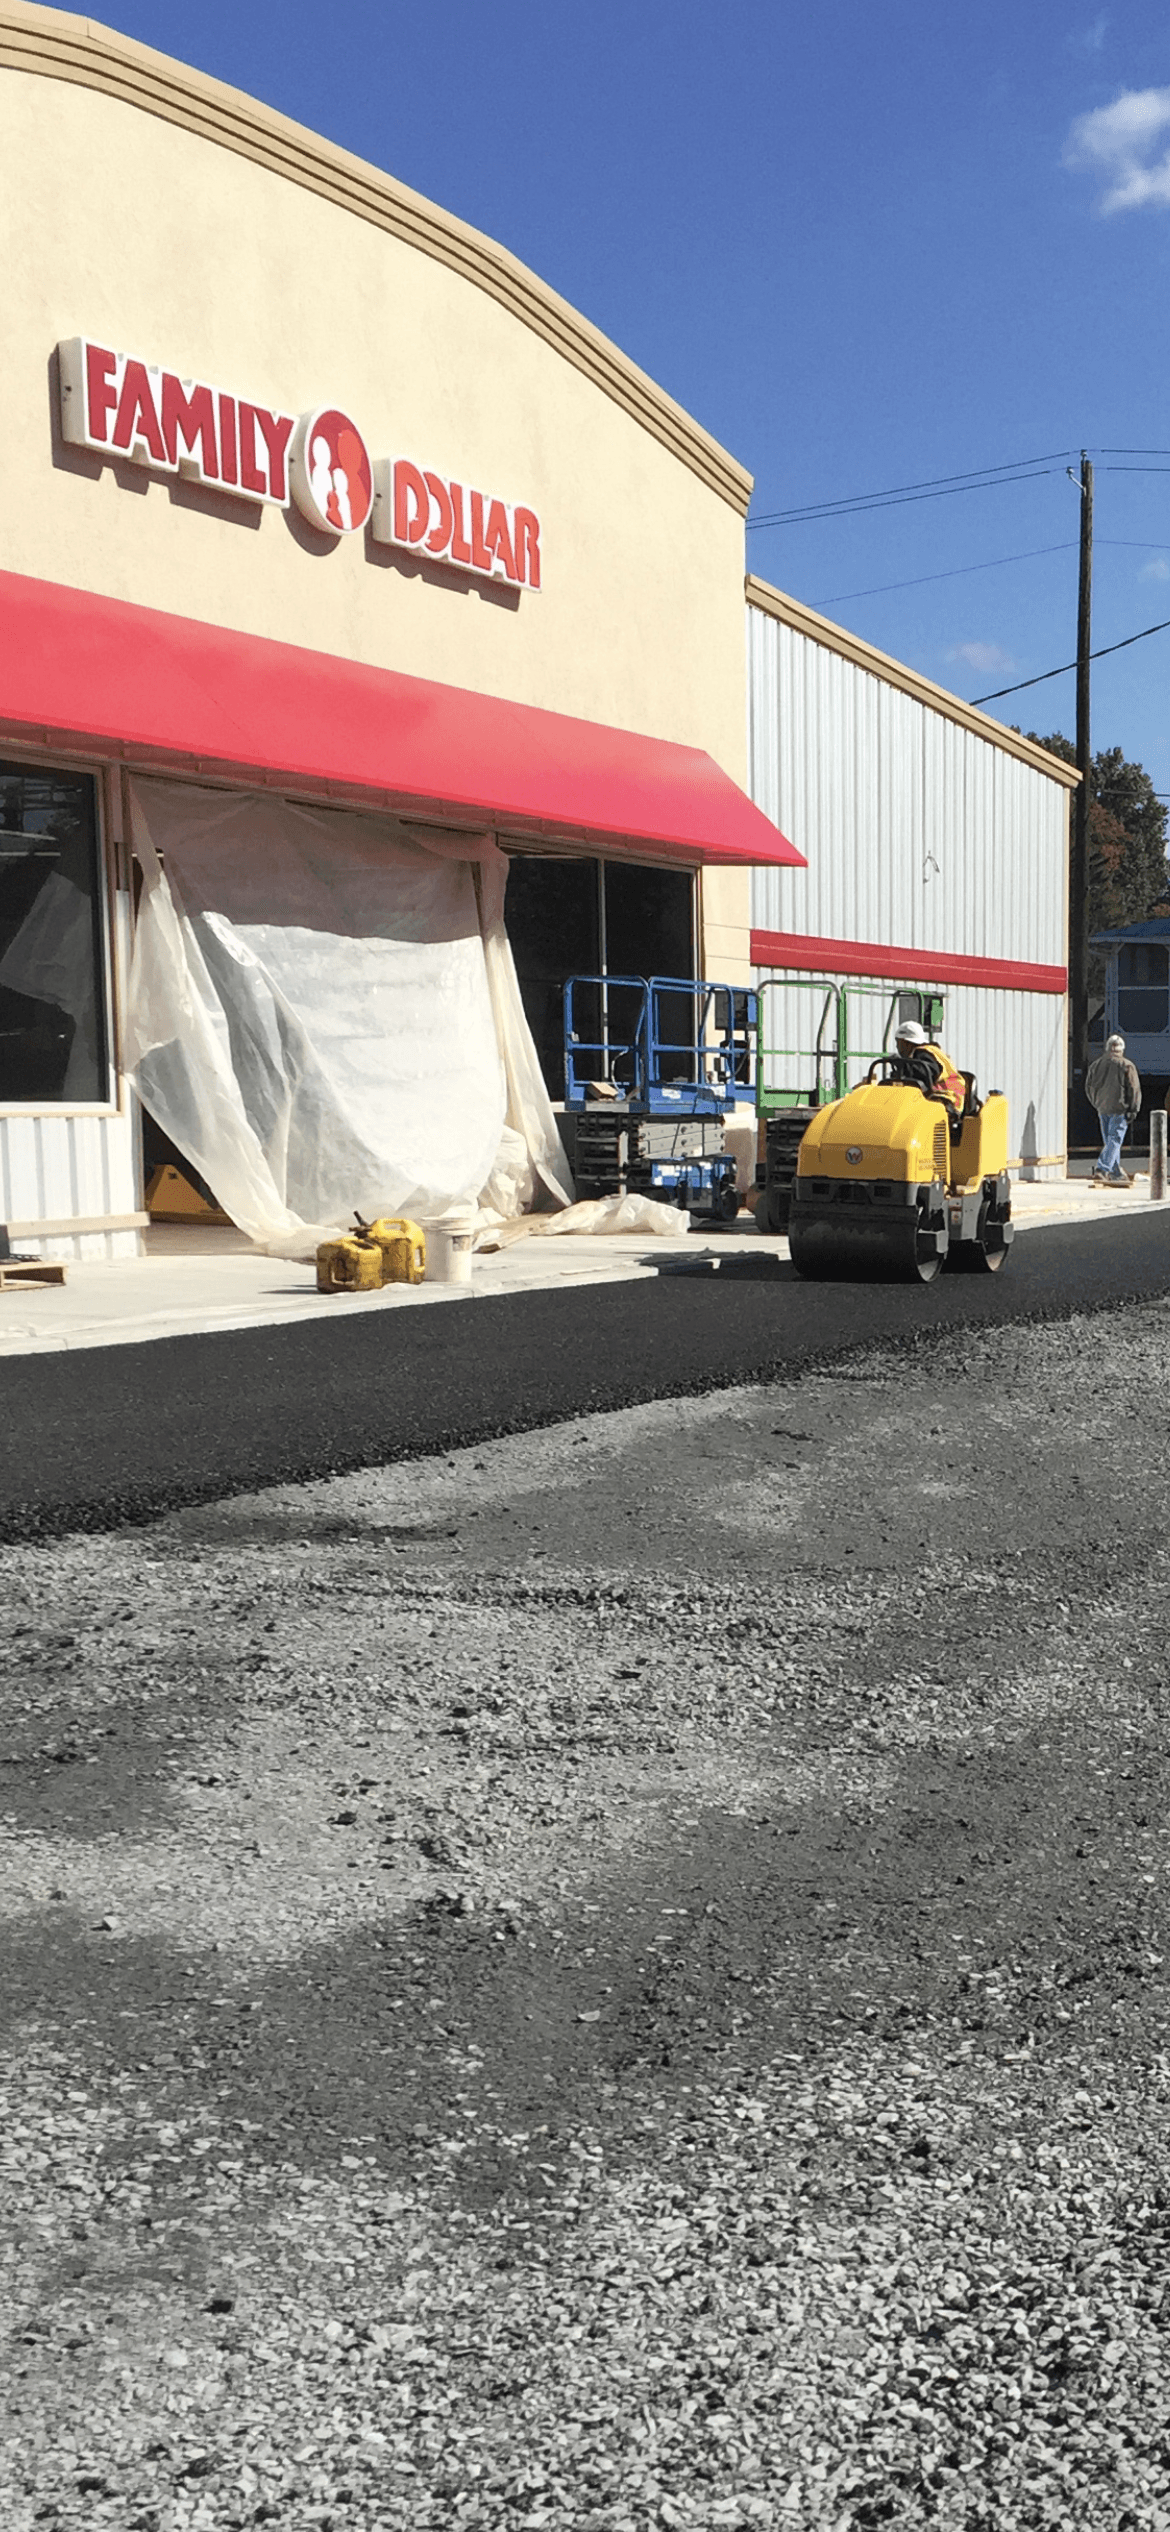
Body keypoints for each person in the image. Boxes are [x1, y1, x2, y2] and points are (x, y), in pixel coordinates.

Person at [1085, 1032, 1141, 1187]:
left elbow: (1088, 1087)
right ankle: (1102, 1169)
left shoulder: (1096, 1065)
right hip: (1119, 1108)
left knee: (1109, 1141)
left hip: (1102, 1108)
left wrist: (1096, 1103)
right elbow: (1134, 1089)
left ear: (1107, 1048)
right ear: (1122, 1049)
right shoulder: (1126, 1065)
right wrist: (1133, 1109)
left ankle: (1115, 1173)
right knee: (1115, 1140)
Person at [891, 1018, 966, 1120]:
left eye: (899, 1042)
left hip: (946, 1099)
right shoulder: (931, 1052)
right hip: (941, 1098)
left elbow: (926, 1074)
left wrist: (903, 1065)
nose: (897, 1046)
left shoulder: (923, 1053)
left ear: (907, 1043)